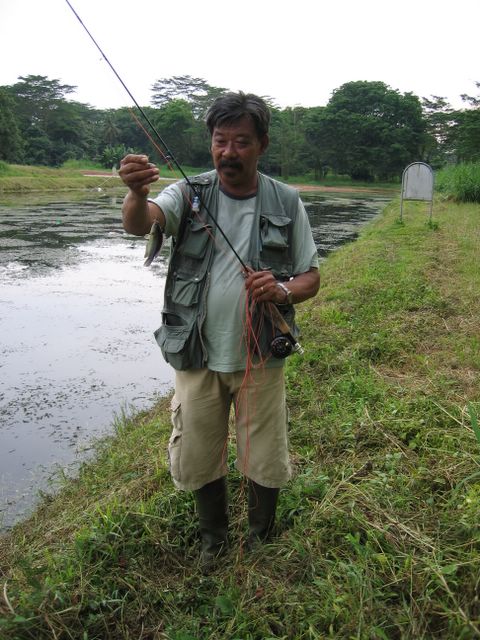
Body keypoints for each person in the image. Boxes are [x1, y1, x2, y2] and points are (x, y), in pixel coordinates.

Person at [120, 92, 319, 570]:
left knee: (265, 454)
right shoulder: (188, 193)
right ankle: (214, 539)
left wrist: (282, 289)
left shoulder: (286, 200)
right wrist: (137, 194)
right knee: (198, 450)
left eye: (241, 142)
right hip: (196, 351)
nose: (229, 152)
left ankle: (260, 536)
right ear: (211, 143)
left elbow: (311, 277)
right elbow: (140, 224)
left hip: (260, 353)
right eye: (220, 141)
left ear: (262, 145)